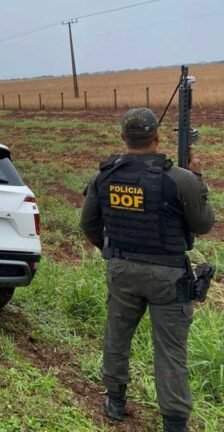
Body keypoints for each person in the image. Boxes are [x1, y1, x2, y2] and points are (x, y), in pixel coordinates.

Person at [80, 108, 215, 432]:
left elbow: (88, 224)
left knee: (117, 335)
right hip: (168, 275)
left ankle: (114, 401)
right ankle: (174, 422)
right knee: (170, 350)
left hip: (122, 269)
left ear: (122, 138)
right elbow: (204, 224)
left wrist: (112, 252)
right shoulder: (180, 178)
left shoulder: (105, 176)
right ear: (157, 137)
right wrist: (197, 178)